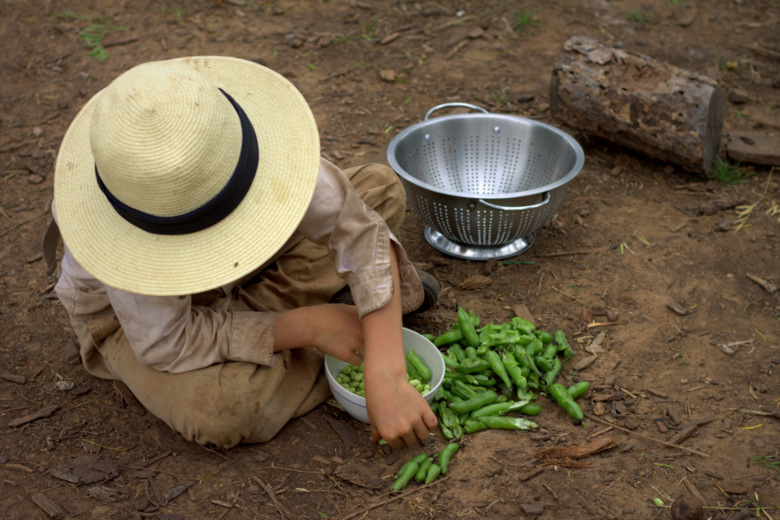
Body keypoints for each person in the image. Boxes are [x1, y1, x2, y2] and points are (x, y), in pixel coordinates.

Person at [44, 56, 439, 449]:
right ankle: (338, 322)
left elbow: (358, 230)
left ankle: (337, 320)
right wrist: (310, 327)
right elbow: (168, 343)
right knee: (222, 410)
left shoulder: (221, 140)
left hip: (242, 273)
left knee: (378, 188)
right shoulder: (123, 241)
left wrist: (387, 371)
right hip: (142, 325)